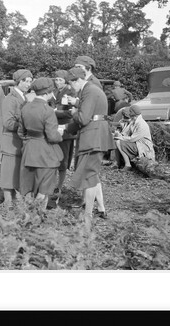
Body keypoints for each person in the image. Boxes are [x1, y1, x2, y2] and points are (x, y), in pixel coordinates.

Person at [66, 67, 116, 226]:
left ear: (77, 80)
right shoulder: (92, 89)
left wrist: (73, 111)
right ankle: (100, 209)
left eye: (71, 83)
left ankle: (88, 214)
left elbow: (83, 118)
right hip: (96, 134)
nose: (70, 87)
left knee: (89, 176)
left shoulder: (88, 91)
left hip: (92, 136)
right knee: (92, 175)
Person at [17, 77, 64, 211]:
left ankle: (26, 213)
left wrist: (29, 141)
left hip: (29, 150)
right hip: (46, 152)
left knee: (29, 186)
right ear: (48, 92)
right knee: (44, 187)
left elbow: (20, 132)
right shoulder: (48, 110)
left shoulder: (25, 107)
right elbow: (52, 136)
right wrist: (61, 134)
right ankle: (37, 214)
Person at [0, 69, 33, 207]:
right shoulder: (10, 99)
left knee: (17, 173)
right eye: (26, 81)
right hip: (11, 141)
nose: (28, 84)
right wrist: (25, 125)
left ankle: (16, 202)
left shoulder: (25, 97)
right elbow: (7, 122)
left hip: (21, 142)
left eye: (30, 81)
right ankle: (8, 203)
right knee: (8, 173)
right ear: (18, 81)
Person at [50, 70, 79, 196]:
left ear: (66, 80)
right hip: (53, 127)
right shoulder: (54, 91)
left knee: (63, 160)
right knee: (52, 158)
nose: (57, 82)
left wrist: (54, 112)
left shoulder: (71, 92)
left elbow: (71, 112)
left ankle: (59, 186)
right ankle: (51, 184)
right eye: (56, 79)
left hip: (66, 129)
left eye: (60, 80)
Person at [113, 104, 155, 171]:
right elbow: (126, 132)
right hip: (136, 144)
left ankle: (127, 165)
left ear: (133, 113)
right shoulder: (134, 121)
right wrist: (119, 135)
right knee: (116, 141)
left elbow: (132, 139)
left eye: (130, 112)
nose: (128, 114)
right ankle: (117, 163)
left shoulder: (141, 124)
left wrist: (120, 137)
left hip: (143, 147)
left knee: (118, 142)